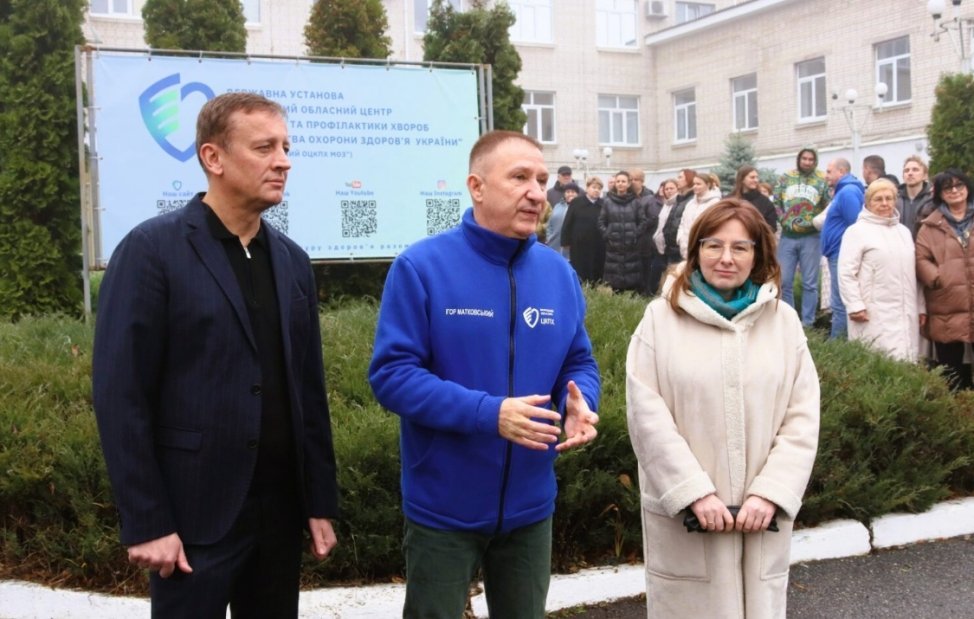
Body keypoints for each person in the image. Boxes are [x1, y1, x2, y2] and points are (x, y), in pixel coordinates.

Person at [91, 93, 340, 617]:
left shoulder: (292, 261)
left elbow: (307, 392)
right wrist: (148, 520)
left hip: (279, 516)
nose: (284, 161)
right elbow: (121, 395)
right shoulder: (152, 250)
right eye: (265, 148)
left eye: (287, 147)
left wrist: (319, 502)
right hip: (190, 521)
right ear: (213, 157)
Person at [368, 130, 601, 619]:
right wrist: (488, 413)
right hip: (442, 508)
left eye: (541, 180)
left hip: (531, 508)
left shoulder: (558, 274)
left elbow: (577, 361)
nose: (536, 192)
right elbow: (392, 375)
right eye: (519, 177)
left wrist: (580, 400)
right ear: (477, 187)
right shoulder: (421, 266)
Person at [626, 199, 820, 618]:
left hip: (761, 519)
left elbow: (802, 417)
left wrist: (770, 494)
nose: (726, 258)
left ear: (758, 255)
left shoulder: (783, 322)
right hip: (690, 522)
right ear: (695, 250)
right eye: (713, 245)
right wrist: (694, 493)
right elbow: (647, 418)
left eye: (740, 247)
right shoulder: (660, 319)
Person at [838, 179, 919, 361]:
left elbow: (915, 272)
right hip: (872, 311)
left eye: (889, 198)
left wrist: (920, 307)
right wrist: (855, 305)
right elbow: (846, 272)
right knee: (878, 359)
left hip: (905, 310)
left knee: (906, 359)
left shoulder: (904, 232)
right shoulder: (856, 231)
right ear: (868, 203)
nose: (884, 203)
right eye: (878, 199)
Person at [916, 169, 974, 390]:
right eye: (947, 188)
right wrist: (938, 278)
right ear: (939, 193)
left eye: (959, 185)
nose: (955, 191)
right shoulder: (930, 225)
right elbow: (921, 258)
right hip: (946, 303)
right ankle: (955, 405)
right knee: (951, 368)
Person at [774, 147, 829, 326]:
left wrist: (817, 222)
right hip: (788, 236)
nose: (807, 162)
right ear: (799, 159)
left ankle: (807, 323)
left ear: (815, 161)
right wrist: (783, 220)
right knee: (784, 281)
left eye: (811, 159)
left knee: (810, 283)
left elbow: (828, 205)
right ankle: (790, 321)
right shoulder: (786, 177)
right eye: (804, 158)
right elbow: (776, 201)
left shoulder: (822, 180)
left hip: (811, 237)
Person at [820, 158, 865, 339]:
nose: (826, 176)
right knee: (838, 303)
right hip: (836, 252)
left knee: (840, 304)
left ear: (841, 171)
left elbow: (855, 224)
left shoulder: (848, 192)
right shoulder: (843, 191)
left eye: (829, 171)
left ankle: (837, 346)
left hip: (841, 253)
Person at [599, 170, 648, 293]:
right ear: (615, 184)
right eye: (618, 181)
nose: (620, 184)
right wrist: (607, 235)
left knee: (632, 282)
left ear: (628, 184)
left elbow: (643, 221)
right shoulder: (607, 202)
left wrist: (635, 235)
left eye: (623, 181)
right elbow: (601, 222)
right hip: (613, 247)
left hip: (631, 247)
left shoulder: (636, 202)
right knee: (614, 283)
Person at [562, 176, 607, 284]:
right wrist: (565, 241)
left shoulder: (603, 204)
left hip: (598, 243)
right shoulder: (577, 202)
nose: (596, 190)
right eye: (594, 187)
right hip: (579, 243)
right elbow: (568, 222)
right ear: (587, 188)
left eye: (599, 188)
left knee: (597, 268)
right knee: (580, 268)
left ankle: (594, 287)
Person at [676, 172, 721, 259]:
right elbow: (682, 223)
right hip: (686, 248)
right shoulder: (690, 203)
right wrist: (680, 238)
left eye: (698, 184)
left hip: (703, 249)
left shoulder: (714, 203)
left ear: (707, 185)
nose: (695, 186)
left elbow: (713, 227)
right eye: (694, 184)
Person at [646, 178, 679, 295]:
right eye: (666, 189)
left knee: (669, 273)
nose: (669, 191)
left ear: (677, 189)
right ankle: (654, 293)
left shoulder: (678, 204)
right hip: (660, 245)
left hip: (671, 246)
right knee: (656, 270)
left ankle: (666, 294)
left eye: (671, 188)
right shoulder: (666, 203)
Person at [631, 169, 662, 296]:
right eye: (631, 179)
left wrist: (639, 227)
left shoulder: (650, 196)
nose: (633, 182)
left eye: (636, 179)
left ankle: (646, 290)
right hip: (631, 237)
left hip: (645, 238)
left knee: (645, 264)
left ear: (642, 181)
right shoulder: (627, 196)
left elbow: (653, 217)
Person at [897, 155, 934, 239]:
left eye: (915, 170)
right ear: (903, 176)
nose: (910, 173)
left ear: (925, 175)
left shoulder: (933, 199)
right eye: (906, 171)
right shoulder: (895, 199)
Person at [731, 164, 777, 231]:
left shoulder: (765, 202)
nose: (756, 180)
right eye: (752, 177)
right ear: (742, 179)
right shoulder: (730, 200)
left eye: (757, 177)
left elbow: (772, 227)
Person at [546, 182, 579, 258]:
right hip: (554, 245)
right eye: (568, 192)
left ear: (577, 194)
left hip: (571, 249)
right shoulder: (558, 206)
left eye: (573, 192)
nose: (570, 194)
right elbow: (550, 223)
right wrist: (549, 237)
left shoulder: (580, 208)